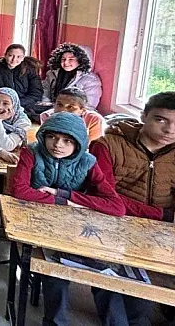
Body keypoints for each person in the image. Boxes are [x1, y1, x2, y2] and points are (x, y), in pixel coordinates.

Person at [10, 112, 125, 326]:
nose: (58, 145)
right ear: (43, 135)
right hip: (39, 225)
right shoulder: (31, 153)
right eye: (52, 137)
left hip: (77, 229)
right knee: (55, 271)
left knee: (107, 272)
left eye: (68, 140)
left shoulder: (88, 162)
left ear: (79, 143)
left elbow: (116, 206)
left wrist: (65, 195)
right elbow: (19, 190)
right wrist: (62, 202)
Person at [89, 92, 175, 325]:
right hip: (112, 224)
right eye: (161, 120)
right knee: (110, 273)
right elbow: (104, 196)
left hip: (163, 233)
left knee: (145, 294)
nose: (169, 130)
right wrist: (162, 214)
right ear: (143, 116)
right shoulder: (108, 145)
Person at [42, 43, 103, 109]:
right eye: (63, 59)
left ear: (81, 60)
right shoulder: (52, 74)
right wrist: (47, 106)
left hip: (73, 115)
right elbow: (45, 92)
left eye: (71, 59)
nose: (66, 62)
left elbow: (88, 106)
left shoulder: (91, 80)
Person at [40, 87, 105, 141]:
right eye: (59, 104)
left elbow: (92, 147)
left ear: (82, 110)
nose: (62, 110)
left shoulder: (94, 119)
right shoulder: (47, 116)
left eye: (70, 107)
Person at [0, 44, 42, 111]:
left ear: (23, 58)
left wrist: (18, 103)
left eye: (18, 57)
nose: (14, 59)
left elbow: (36, 93)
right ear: (5, 55)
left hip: (24, 106)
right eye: (10, 56)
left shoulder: (30, 69)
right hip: (1, 106)